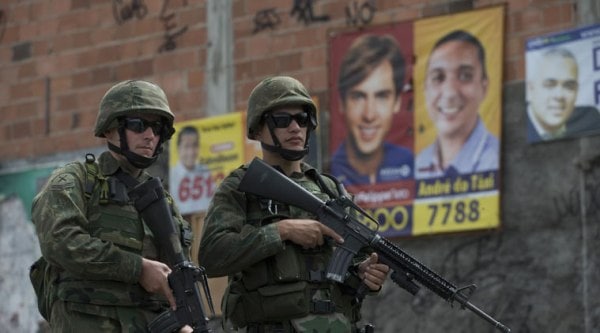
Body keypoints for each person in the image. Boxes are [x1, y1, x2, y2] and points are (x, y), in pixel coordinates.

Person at [199, 76, 389, 333]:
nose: (295, 128)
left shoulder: (329, 189)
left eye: (302, 119)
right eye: (282, 120)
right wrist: (281, 231)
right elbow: (212, 257)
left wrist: (366, 276)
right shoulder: (240, 186)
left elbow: (352, 266)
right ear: (257, 129)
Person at [31, 80, 194, 332]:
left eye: (156, 126)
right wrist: (137, 268)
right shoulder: (76, 180)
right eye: (138, 125)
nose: (149, 134)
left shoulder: (164, 202)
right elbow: (61, 242)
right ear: (110, 131)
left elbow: (172, 275)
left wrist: (182, 320)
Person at [330, 33, 413, 186]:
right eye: (358, 96)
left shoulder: (411, 163)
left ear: (397, 102)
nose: (369, 115)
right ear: (341, 102)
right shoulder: (327, 174)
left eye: (381, 96)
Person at [415, 30, 499, 179]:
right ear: (425, 89)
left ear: (484, 87)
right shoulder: (417, 165)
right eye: (438, 78)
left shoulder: (497, 158)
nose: (450, 92)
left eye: (465, 76)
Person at [526, 47, 600, 142]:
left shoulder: (591, 118)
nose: (559, 95)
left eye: (569, 86)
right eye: (550, 85)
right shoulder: (515, 126)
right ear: (530, 89)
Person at [169, 125, 213, 214]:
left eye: (194, 146)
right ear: (179, 149)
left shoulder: (205, 172)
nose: (191, 152)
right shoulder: (171, 176)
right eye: (186, 146)